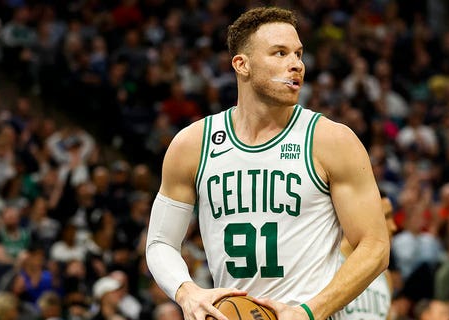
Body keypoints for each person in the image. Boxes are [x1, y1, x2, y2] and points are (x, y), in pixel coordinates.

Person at [145, 6, 389, 320]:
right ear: (241, 64)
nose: (296, 65)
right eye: (279, 53)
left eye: (298, 54)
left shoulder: (332, 140)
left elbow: (375, 246)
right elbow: (161, 241)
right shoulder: (193, 145)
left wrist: (308, 312)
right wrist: (187, 291)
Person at [339, 191, 397, 320]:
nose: (394, 227)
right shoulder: (328, 262)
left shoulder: (385, 276)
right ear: (361, 217)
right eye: (386, 217)